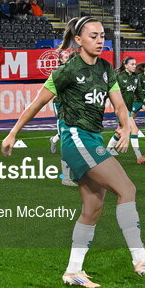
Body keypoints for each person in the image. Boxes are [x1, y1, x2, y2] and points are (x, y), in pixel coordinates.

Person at [2, 16, 145, 288]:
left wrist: (126, 127)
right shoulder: (68, 70)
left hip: (92, 137)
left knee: (92, 208)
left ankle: (73, 272)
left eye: (102, 35)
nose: (99, 39)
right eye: (93, 35)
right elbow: (36, 104)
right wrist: (13, 133)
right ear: (79, 40)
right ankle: (140, 257)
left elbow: (119, 105)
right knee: (127, 189)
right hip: (76, 139)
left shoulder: (106, 69)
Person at [107, 57, 145, 164]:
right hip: (122, 108)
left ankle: (108, 150)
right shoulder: (119, 77)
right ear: (125, 65)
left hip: (128, 108)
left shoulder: (136, 77)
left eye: (135, 64)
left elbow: (139, 91)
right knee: (134, 130)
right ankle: (139, 157)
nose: (134, 66)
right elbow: (111, 90)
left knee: (120, 131)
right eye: (132, 64)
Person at [47, 49, 78, 186]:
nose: (67, 59)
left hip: (76, 110)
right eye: (65, 57)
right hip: (62, 106)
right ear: (61, 59)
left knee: (78, 141)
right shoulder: (59, 72)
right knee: (66, 137)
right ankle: (66, 177)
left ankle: (76, 174)